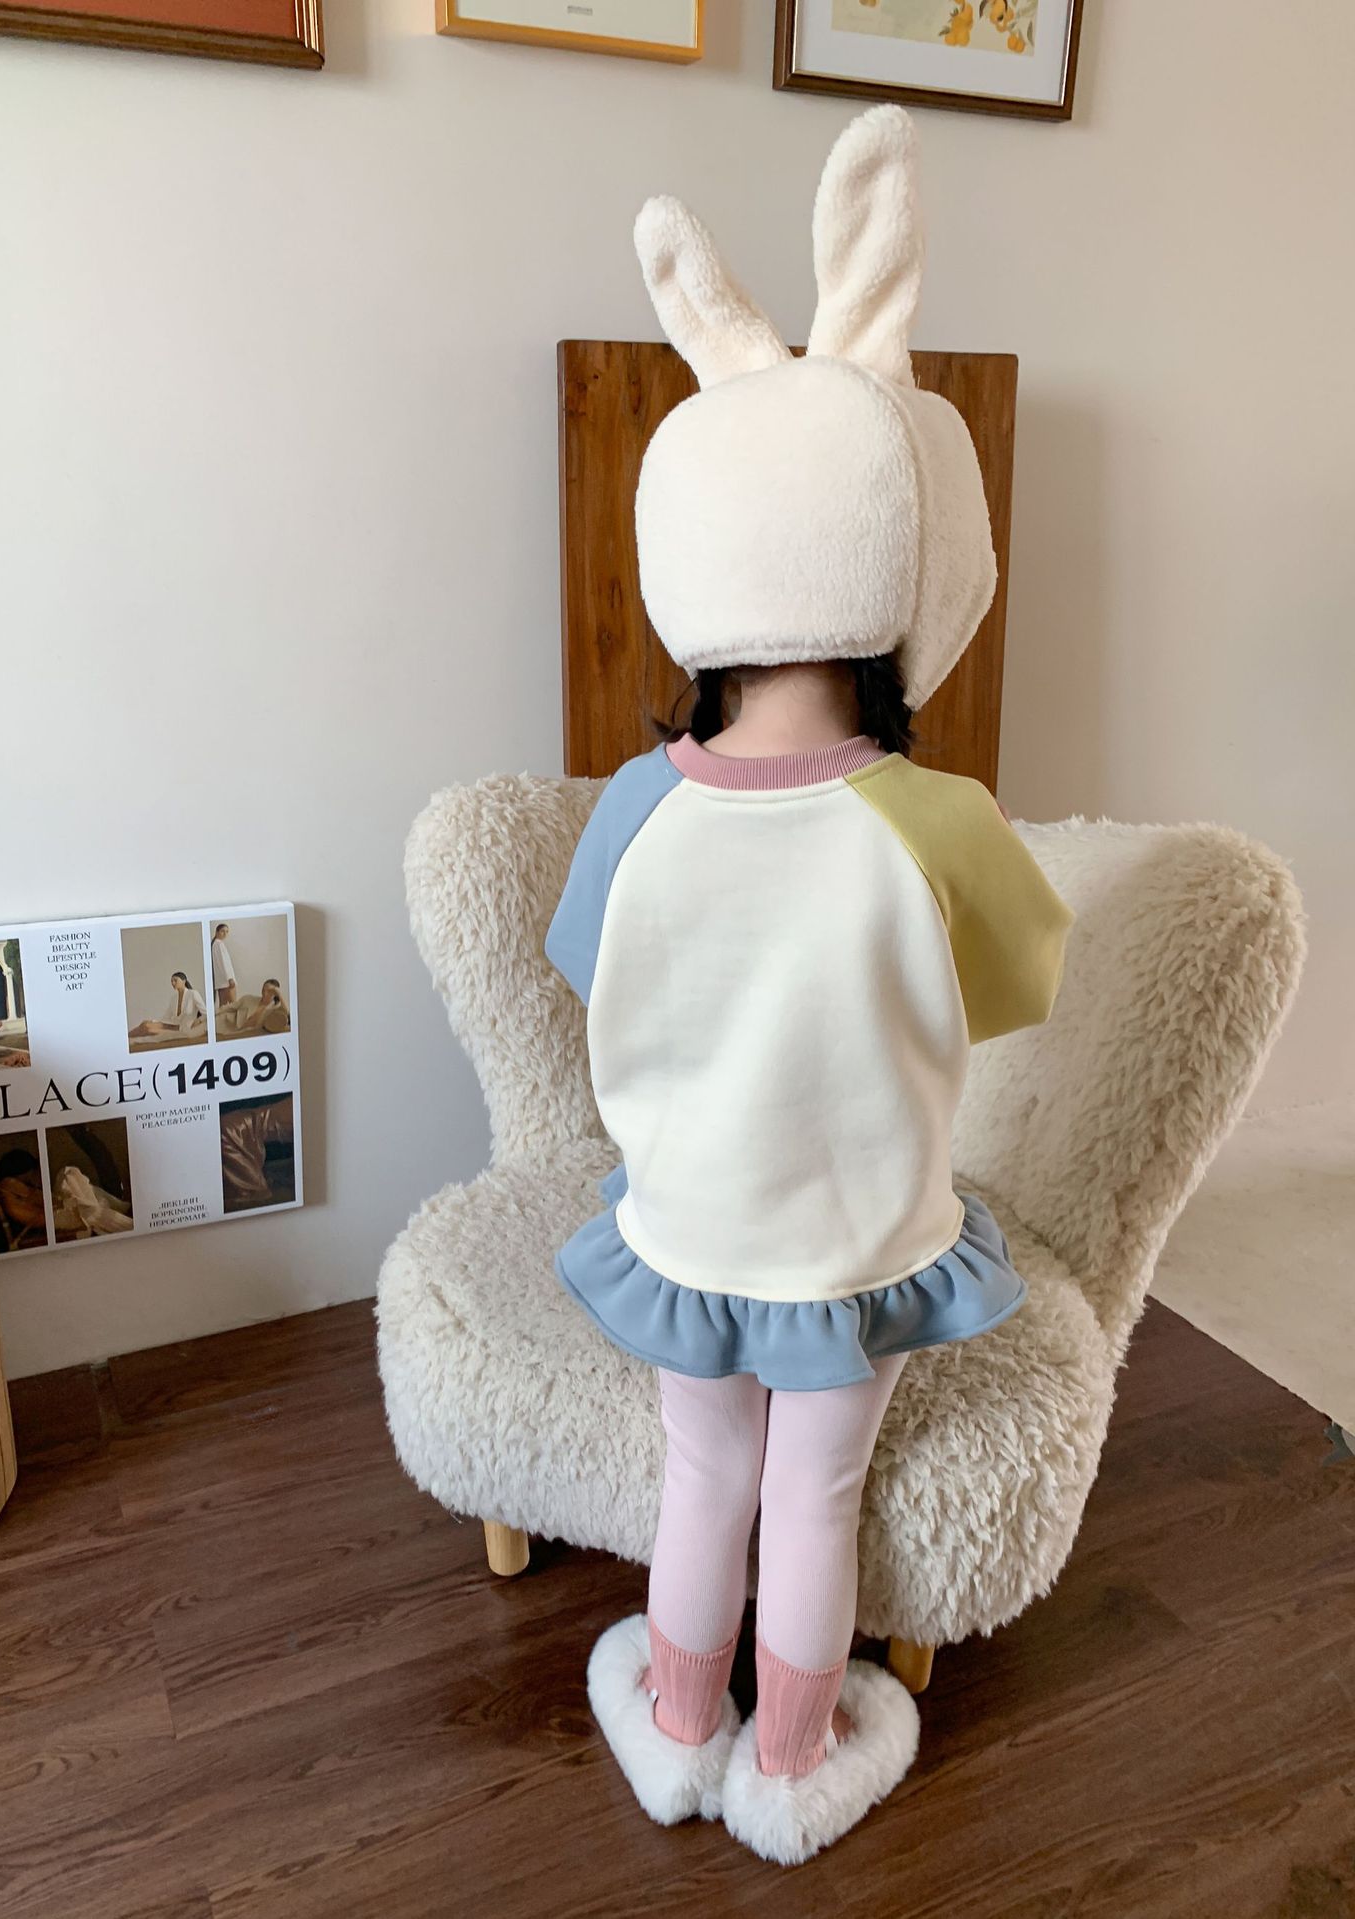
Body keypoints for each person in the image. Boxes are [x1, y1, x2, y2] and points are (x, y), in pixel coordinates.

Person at [544, 108, 1073, 1867]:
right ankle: (794, 1752)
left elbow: (587, 972)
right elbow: (1011, 984)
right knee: (816, 1487)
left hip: (694, 1225)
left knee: (707, 1472)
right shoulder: (940, 819)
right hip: (857, 1237)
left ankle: (676, 1720)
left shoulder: (632, 811)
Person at [129, 971, 206, 1040]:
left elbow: (206, 1013)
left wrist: (199, 1020)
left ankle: (126, 1038)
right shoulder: (174, 998)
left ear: (184, 981)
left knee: (149, 1029)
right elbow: (166, 1016)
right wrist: (154, 1021)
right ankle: (126, 1037)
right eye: (171, 981)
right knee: (145, 1024)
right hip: (172, 1024)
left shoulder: (193, 994)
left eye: (175, 980)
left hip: (182, 1027)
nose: (173, 983)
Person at [210, 923, 237, 1007]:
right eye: (222, 931)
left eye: (227, 932)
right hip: (227, 981)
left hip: (221, 981)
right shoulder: (219, 944)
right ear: (217, 932)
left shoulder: (215, 944)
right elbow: (223, 962)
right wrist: (230, 978)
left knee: (223, 1006)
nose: (225, 934)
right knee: (233, 1006)